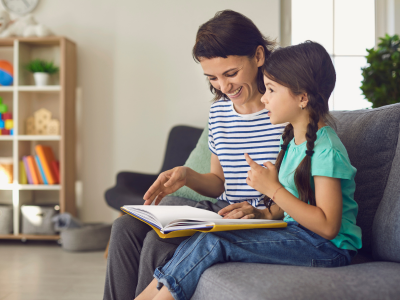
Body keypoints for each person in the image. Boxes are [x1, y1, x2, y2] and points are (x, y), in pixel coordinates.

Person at [135, 41, 363, 300]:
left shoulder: (326, 150)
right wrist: (262, 213)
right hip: (298, 234)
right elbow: (286, 210)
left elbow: (328, 226)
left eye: (272, 90)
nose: (264, 97)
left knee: (215, 243)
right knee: (206, 236)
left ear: (302, 98)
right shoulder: (291, 141)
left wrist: (273, 189)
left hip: (327, 249)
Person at [103, 10, 285, 300]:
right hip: (222, 208)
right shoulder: (219, 112)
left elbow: (297, 187)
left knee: (157, 242)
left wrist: (265, 210)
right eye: (212, 78)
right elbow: (218, 182)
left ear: (259, 56)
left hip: (256, 218)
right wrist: (187, 176)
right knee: (124, 227)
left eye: (231, 73)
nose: (223, 87)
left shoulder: (284, 110)